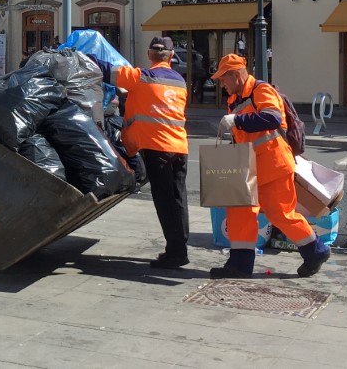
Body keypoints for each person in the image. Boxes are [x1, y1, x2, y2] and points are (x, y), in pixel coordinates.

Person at [210, 54, 330, 279]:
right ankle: (239, 264)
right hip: (249, 167)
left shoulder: (261, 91)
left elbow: (272, 118)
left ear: (236, 75)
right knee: (239, 213)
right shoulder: (235, 99)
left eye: (224, 79)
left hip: (273, 166)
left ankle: (316, 251)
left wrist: (236, 121)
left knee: (281, 214)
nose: (221, 83)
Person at [91, 36, 190, 269]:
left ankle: (176, 254)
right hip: (179, 147)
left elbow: (105, 69)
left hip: (157, 148)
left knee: (164, 201)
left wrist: (81, 54)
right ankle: (179, 248)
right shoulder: (180, 82)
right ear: (172, 55)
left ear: (149, 55)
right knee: (178, 199)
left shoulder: (142, 77)